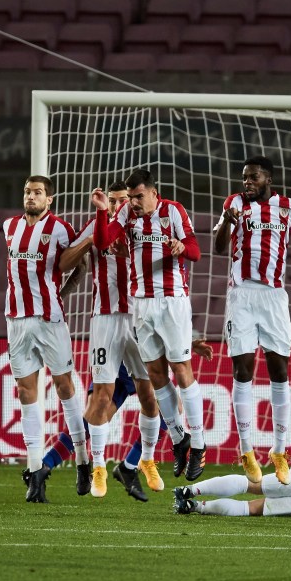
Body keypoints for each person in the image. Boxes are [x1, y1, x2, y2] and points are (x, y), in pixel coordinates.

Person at [212, 155, 291, 485]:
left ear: (268, 180)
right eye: (244, 177)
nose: (247, 182)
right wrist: (229, 222)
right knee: (242, 369)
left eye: (253, 177)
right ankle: (246, 450)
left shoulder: (290, 207)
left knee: (279, 370)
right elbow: (219, 248)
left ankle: (278, 450)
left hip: (274, 296)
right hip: (241, 294)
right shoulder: (232, 204)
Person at [91, 168, 206, 481]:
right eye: (131, 197)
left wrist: (183, 249)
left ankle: (198, 444)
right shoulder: (127, 213)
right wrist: (103, 212)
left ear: (155, 194)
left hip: (172, 302)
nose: (134, 202)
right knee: (156, 374)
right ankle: (180, 437)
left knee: (181, 369)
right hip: (140, 304)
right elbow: (102, 241)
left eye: (139, 196)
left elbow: (195, 249)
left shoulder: (174, 211)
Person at [59, 180, 164, 498]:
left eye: (125, 200)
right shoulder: (97, 225)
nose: (121, 205)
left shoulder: (143, 226)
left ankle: (144, 461)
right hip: (105, 320)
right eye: (115, 200)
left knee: (151, 395)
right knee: (101, 396)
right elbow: (66, 263)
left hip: (139, 318)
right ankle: (100, 467)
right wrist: (91, 238)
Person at [23, 342, 214, 502]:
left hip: (123, 348)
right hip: (133, 351)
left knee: (97, 416)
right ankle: (128, 466)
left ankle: (45, 465)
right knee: (166, 407)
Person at [4, 175, 90, 503]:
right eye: (27, 191)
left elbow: (81, 266)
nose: (31, 196)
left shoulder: (60, 229)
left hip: (50, 321)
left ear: (49, 199)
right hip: (16, 321)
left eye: (38, 192)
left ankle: (82, 458)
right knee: (27, 392)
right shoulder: (8, 227)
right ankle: (35, 470)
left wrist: (61, 294)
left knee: (65, 386)